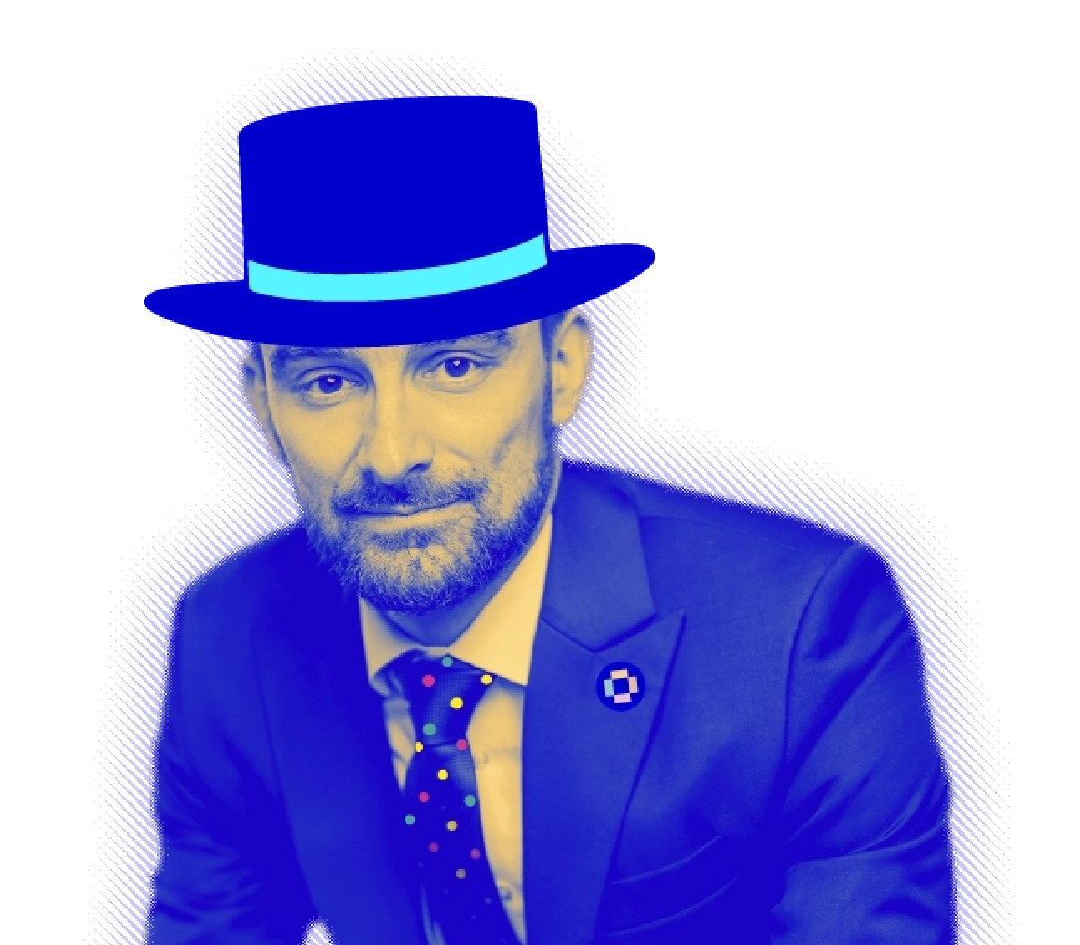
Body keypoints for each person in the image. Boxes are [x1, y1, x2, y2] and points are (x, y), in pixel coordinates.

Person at [145, 93, 954, 944]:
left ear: (562, 368)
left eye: (455, 366)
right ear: (263, 407)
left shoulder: (800, 634)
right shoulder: (230, 631)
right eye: (328, 382)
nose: (391, 453)